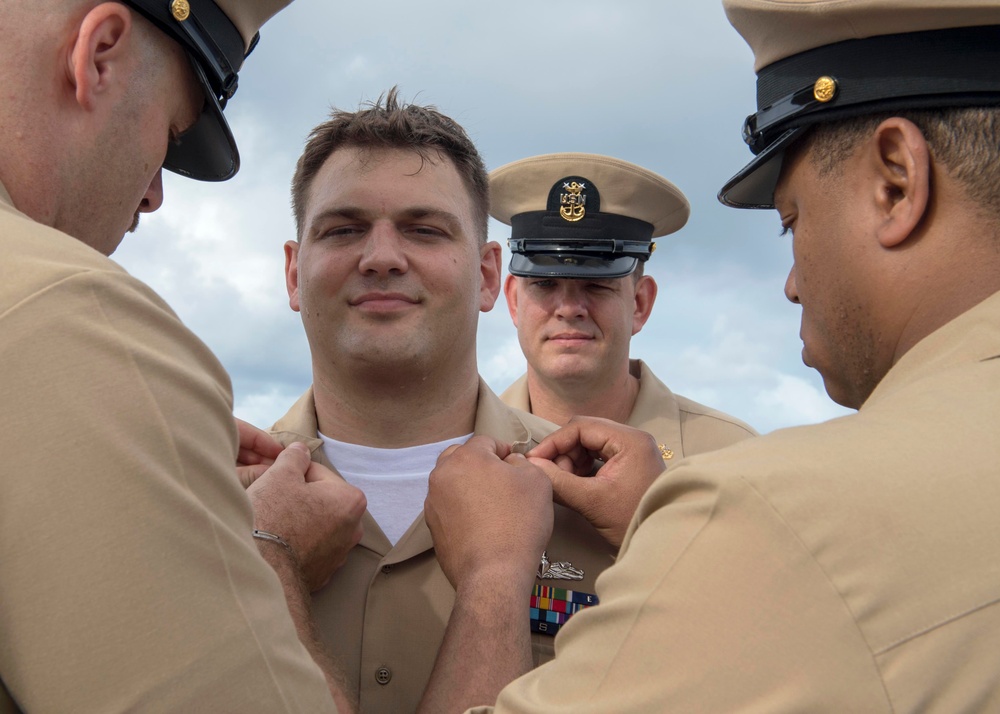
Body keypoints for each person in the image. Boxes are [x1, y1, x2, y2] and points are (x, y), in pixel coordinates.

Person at [419, 1, 1000, 711]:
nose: (790, 285)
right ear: (510, 298)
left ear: (896, 180)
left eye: (792, 222)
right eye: (545, 285)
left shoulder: (754, 500)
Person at [0, 2, 361, 711]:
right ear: (99, 54)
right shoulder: (67, 313)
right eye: (168, 135)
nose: (156, 195)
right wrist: (267, 550)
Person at [262, 90, 655, 714]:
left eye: (424, 230)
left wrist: (656, 534)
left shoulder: (620, 509)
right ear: (293, 273)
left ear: (489, 275)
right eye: (344, 229)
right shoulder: (203, 502)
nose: (383, 257)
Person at [494, 152, 757, 457]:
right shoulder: (456, 447)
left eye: (596, 285)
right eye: (544, 284)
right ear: (513, 300)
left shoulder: (731, 455)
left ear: (640, 303)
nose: (568, 308)